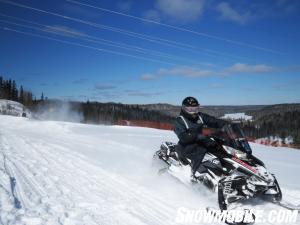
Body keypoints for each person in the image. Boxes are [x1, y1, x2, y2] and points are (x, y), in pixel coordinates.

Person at [174, 96, 227, 181]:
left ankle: (226, 170)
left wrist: (226, 125)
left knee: (219, 147)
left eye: (195, 109)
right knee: (201, 150)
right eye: (190, 109)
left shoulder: (200, 116)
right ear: (184, 109)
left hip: (201, 141)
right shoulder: (180, 120)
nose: (193, 112)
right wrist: (198, 135)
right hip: (186, 146)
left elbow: (213, 121)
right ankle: (192, 175)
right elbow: (183, 137)